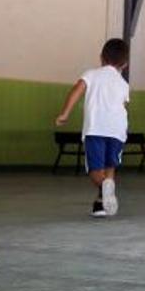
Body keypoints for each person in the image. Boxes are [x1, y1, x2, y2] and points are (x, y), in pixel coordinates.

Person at [55, 39, 131, 218]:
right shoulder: (123, 84)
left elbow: (76, 90)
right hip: (118, 130)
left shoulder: (92, 74)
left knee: (95, 170)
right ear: (125, 64)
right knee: (110, 165)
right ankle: (101, 203)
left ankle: (105, 190)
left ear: (101, 58)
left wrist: (65, 113)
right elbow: (123, 107)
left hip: (96, 128)